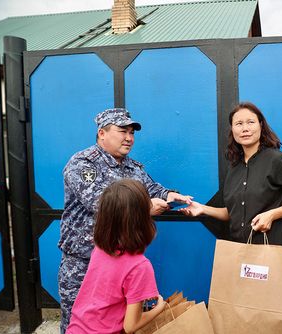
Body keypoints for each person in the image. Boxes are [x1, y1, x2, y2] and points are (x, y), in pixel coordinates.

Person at [58, 108, 191, 332]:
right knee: (78, 323)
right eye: (123, 131)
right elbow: (100, 203)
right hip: (84, 262)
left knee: (117, 323)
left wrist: (169, 195)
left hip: (120, 263)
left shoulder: (132, 166)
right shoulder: (83, 164)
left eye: (132, 133)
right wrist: (147, 207)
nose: (129, 138)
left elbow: (152, 188)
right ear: (102, 133)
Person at [181, 102, 282, 246]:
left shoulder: (276, 160)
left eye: (250, 122)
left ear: (261, 125)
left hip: (272, 249)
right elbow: (233, 213)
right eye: (239, 124)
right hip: (241, 250)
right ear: (232, 129)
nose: (245, 129)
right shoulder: (234, 167)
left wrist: (271, 215)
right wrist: (202, 208)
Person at [66, 179, 166, 333]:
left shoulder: (100, 249)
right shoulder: (140, 267)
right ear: (142, 219)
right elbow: (130, 325)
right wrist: (160, 308)